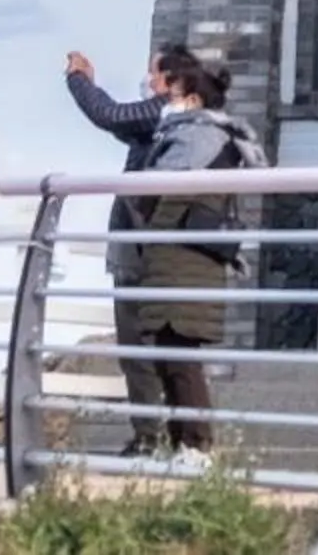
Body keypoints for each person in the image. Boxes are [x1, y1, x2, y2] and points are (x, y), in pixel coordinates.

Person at [65, 47, 258, 463]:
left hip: (163, 257)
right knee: (159, 353)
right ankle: (167, 441)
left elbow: (111, 116)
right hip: (153, 253)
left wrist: (79, 80)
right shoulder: (172, 129)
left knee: (165, 353)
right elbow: (120, 125)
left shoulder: (181, 127)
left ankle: (170, 442)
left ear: (178, 85)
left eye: (154, 74)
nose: (150, 83)